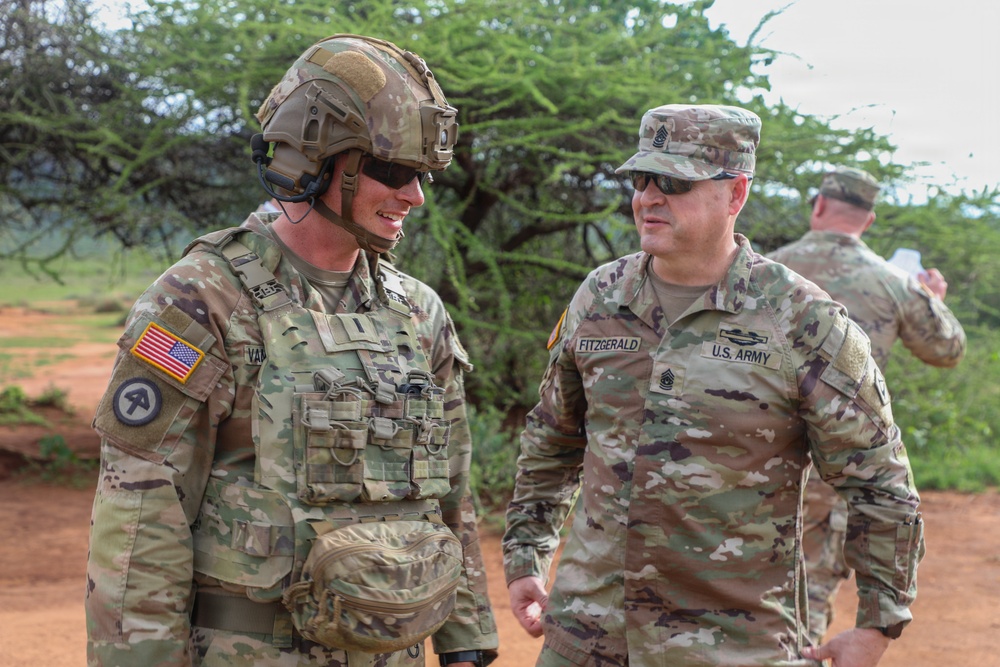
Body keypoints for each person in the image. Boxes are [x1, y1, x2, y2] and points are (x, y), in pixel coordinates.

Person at [85, 34, 498, 667]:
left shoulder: (417, 311)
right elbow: (141, 512)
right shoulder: (203, 300)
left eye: (423, 176)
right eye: (394, 171)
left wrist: (465, 638)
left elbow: (450, 492)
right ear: (314, 161)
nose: (415, 196)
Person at [501, 104, 924, 667]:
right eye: (642, 179)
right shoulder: (600, 296)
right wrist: (527, 555)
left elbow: (879, 481)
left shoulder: (801, 319)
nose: (649, 197)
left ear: (736, 194)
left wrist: (877, 625)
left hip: (733, 648)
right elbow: (552, 440)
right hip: (586, 637)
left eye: (674, 182)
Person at [767, 166, 966, 644]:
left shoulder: (765, 269)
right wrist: (933, 300)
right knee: (805, 601)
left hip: (749, 456)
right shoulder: (894, 282)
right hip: (838, 466)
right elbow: (947, 349)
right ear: (869, 220)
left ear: (818, 206)